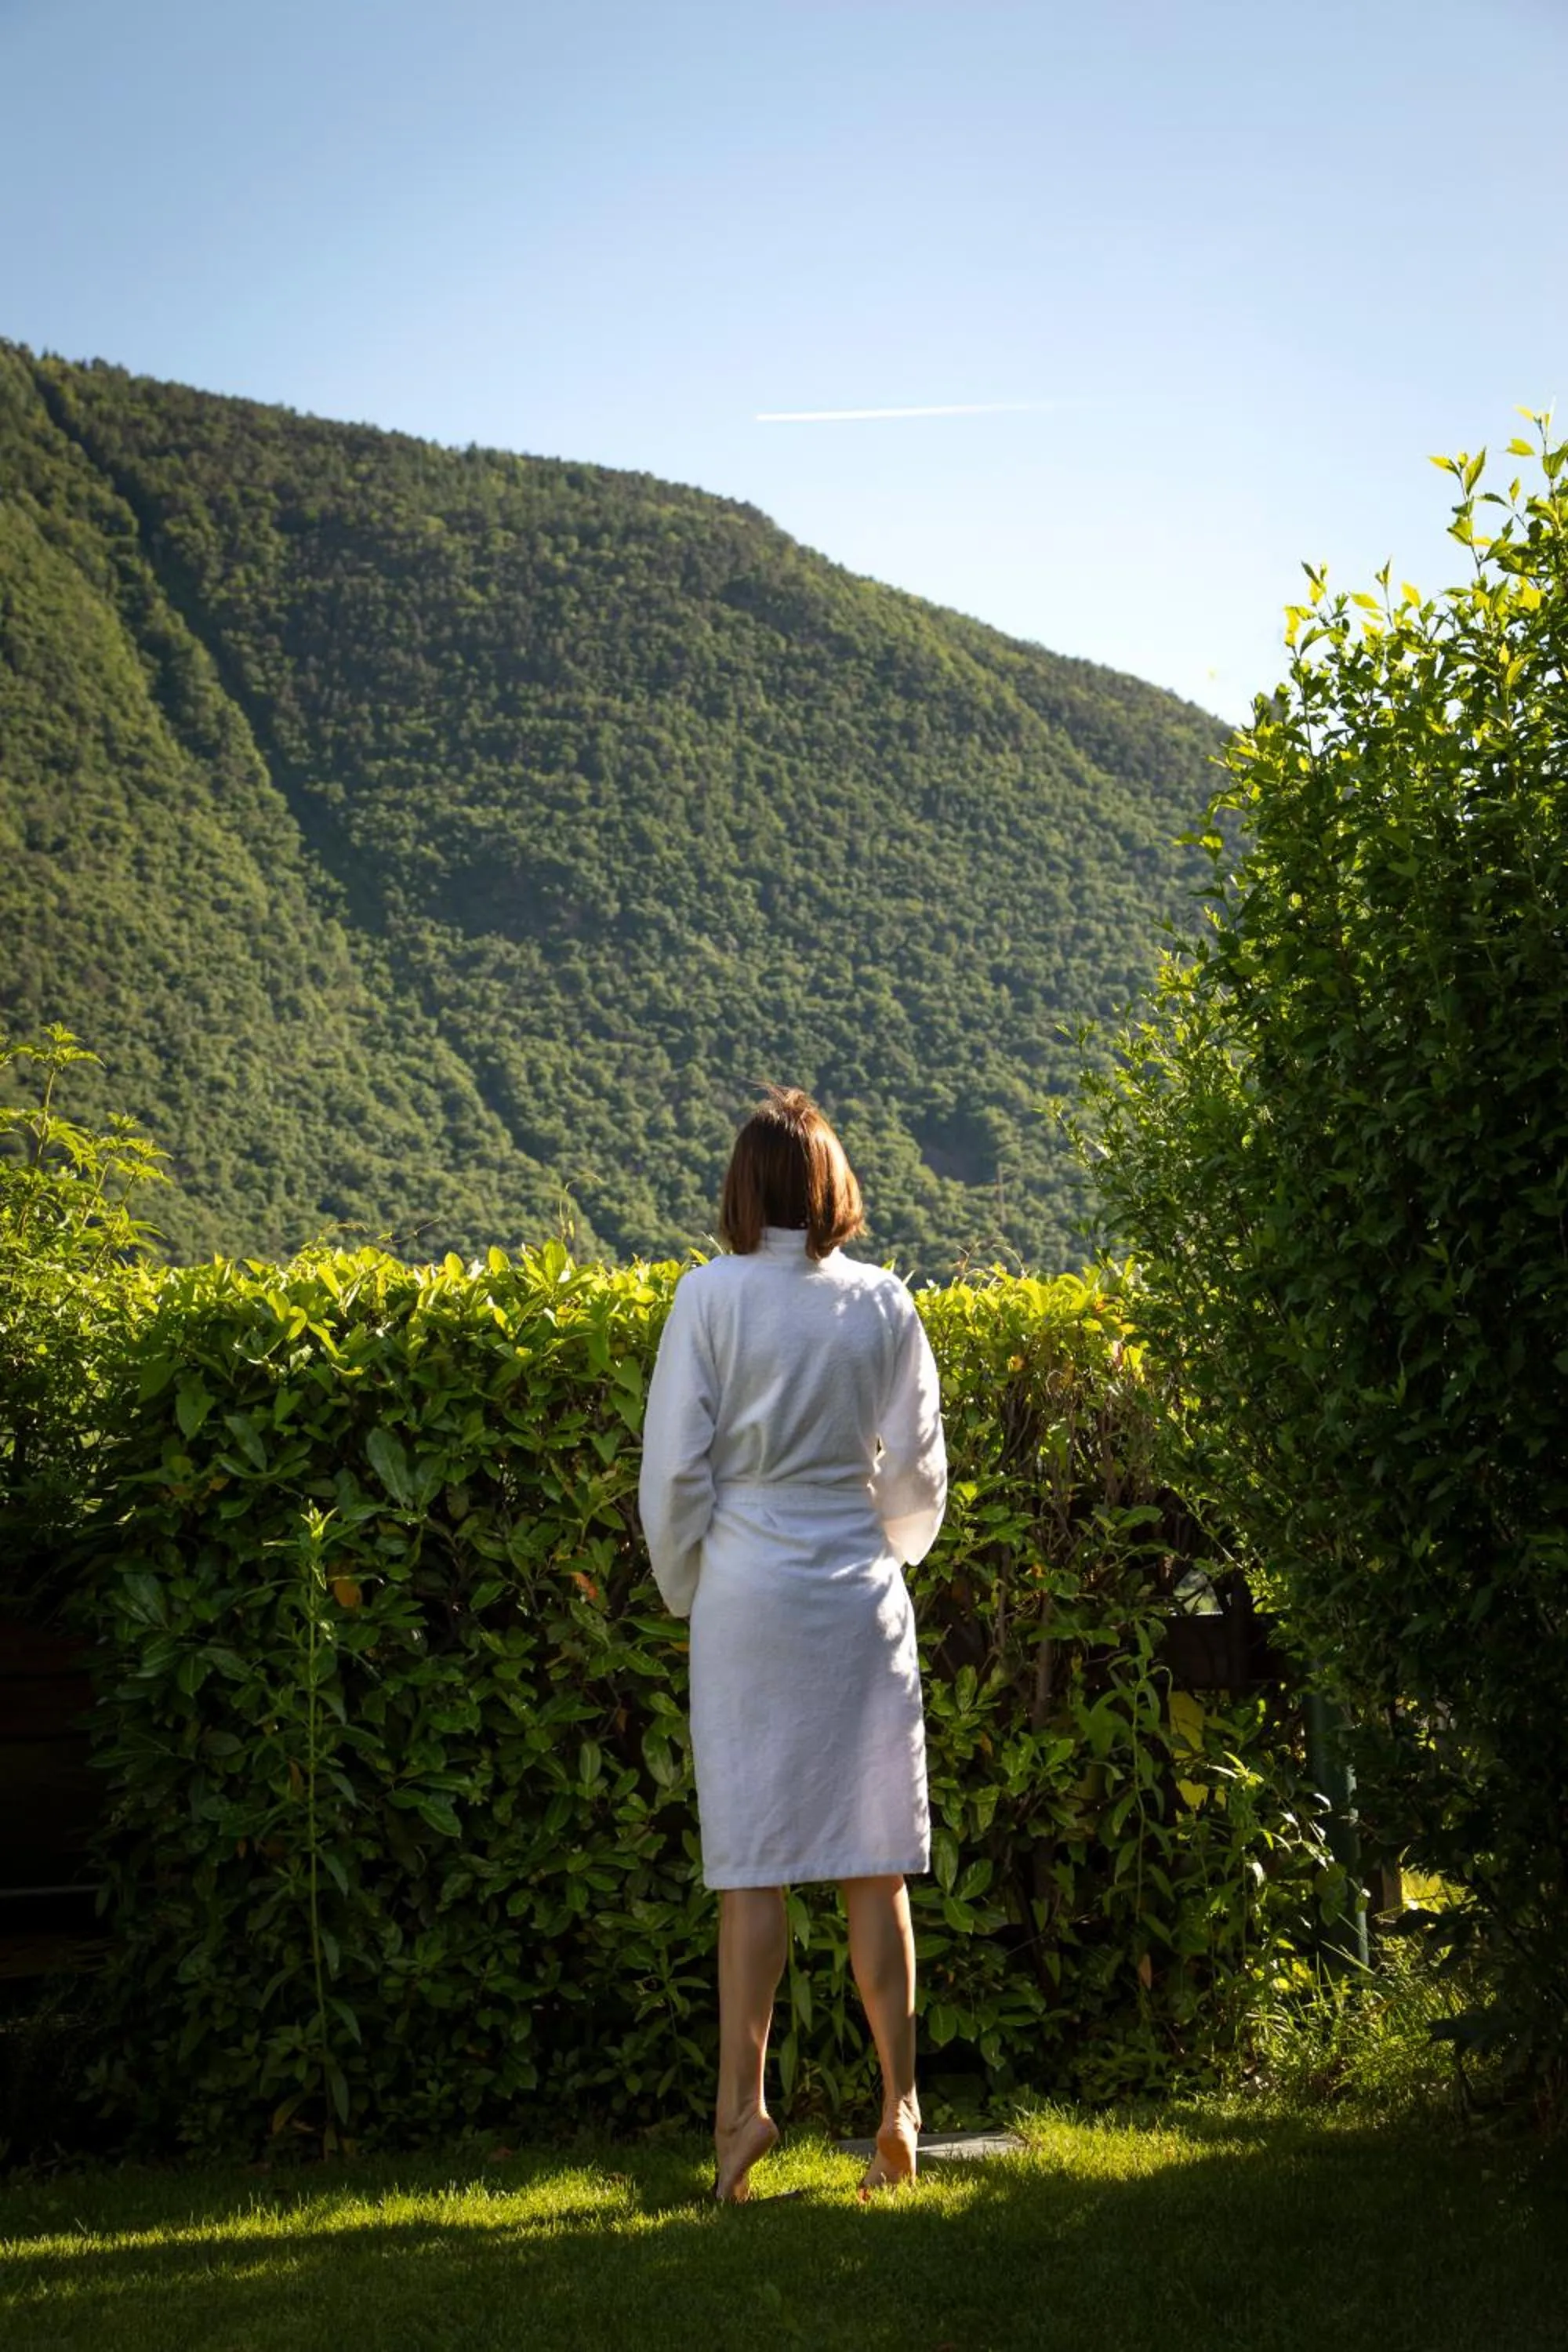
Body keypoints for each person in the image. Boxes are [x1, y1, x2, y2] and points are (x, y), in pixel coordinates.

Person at [638, 1086, 947, 2202]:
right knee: (879, 1864)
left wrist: (690, 1586)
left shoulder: (709, 1299)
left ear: (741, 1189)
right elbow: (917, 1481)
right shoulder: (882, 1303)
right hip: (859, 1602)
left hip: (751, 1607)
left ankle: (739, 2117)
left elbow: (676, 1474)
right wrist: (887, 1550)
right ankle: (900, 2109)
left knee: (754, 1869)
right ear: (832, 1188)